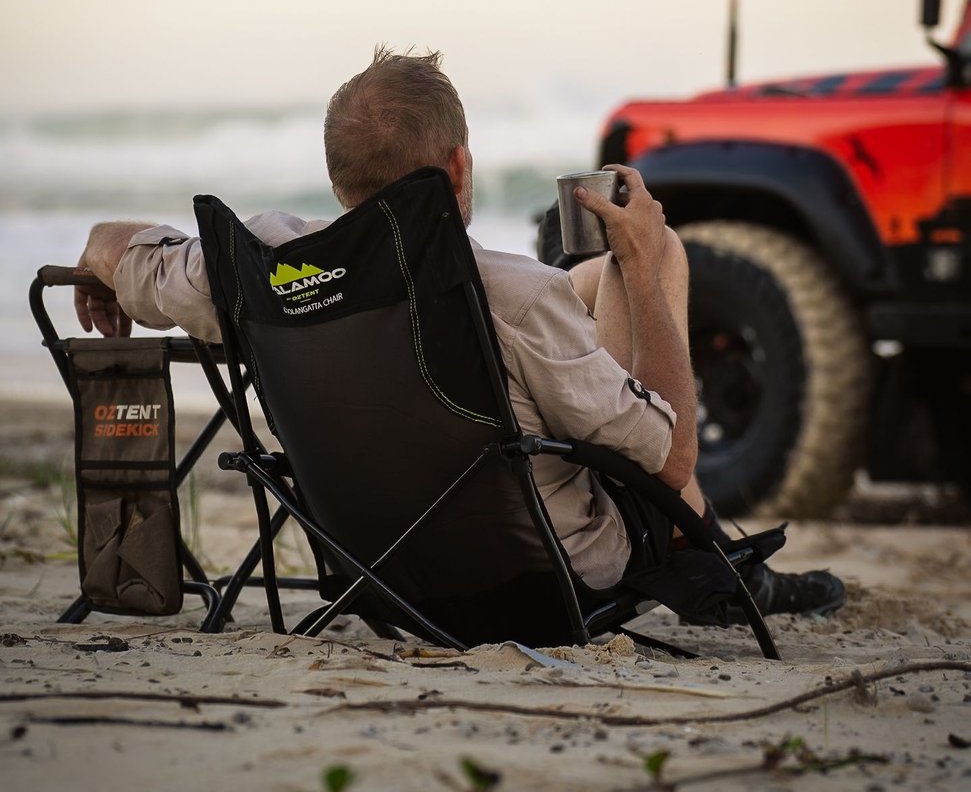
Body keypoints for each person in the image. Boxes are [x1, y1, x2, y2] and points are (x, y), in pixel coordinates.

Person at [75, 46, 844, 622]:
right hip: (544, 585)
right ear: (459, 166)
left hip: (376, 579)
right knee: (647, 256)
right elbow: (669, 460)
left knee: (577, 286)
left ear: (337, 176)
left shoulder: (255, 265)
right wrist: (642, 269)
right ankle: (710, 558)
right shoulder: (515, 297)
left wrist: (95, 262)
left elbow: (120, 246)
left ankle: (589, 282)